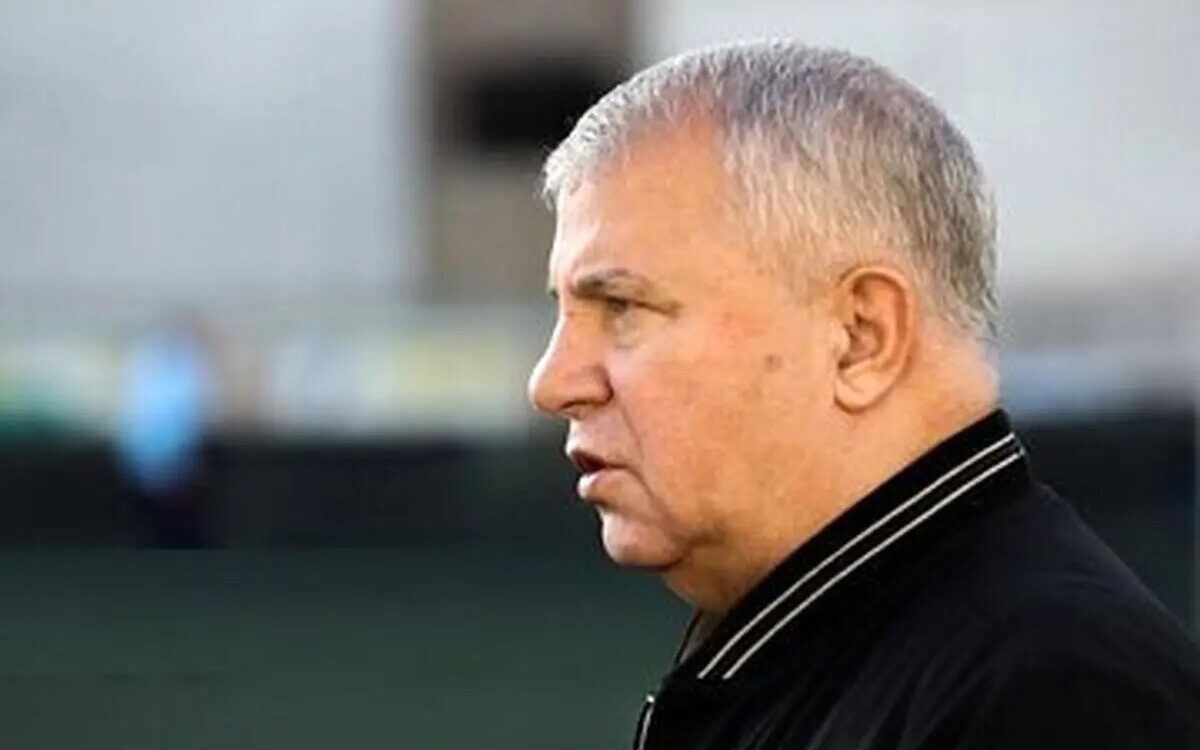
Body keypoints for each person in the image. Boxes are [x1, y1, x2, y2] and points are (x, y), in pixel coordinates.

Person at [526, 41, 1200, 749]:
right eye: (563, 313)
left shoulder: (1052, 695)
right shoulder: (836, 656)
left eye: (623, 307)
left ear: (860, 337)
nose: (551, 383)